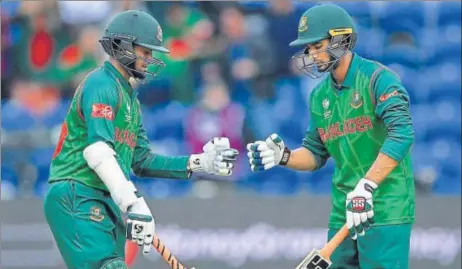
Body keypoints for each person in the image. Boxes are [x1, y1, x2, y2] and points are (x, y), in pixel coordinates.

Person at [43, 10, 239, 269]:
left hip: (103, 198)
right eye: (145, 51)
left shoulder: (130, 99)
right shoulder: (101, 84)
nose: (150, 58)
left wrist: (198, 163)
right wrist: (133, 201)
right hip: (77, 192)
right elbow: (97, 152)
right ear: (123, 46)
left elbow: (142, 160)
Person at [246, 4, 415, 269]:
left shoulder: (379, 79)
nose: (312, 55)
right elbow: (315, 153)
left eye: (317, 46)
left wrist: (366, 186)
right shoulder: (319, 95)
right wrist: (284, 156)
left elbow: (402, 134)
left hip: (385, 208)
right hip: (343, 210)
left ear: (342, 39)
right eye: (309, 49)